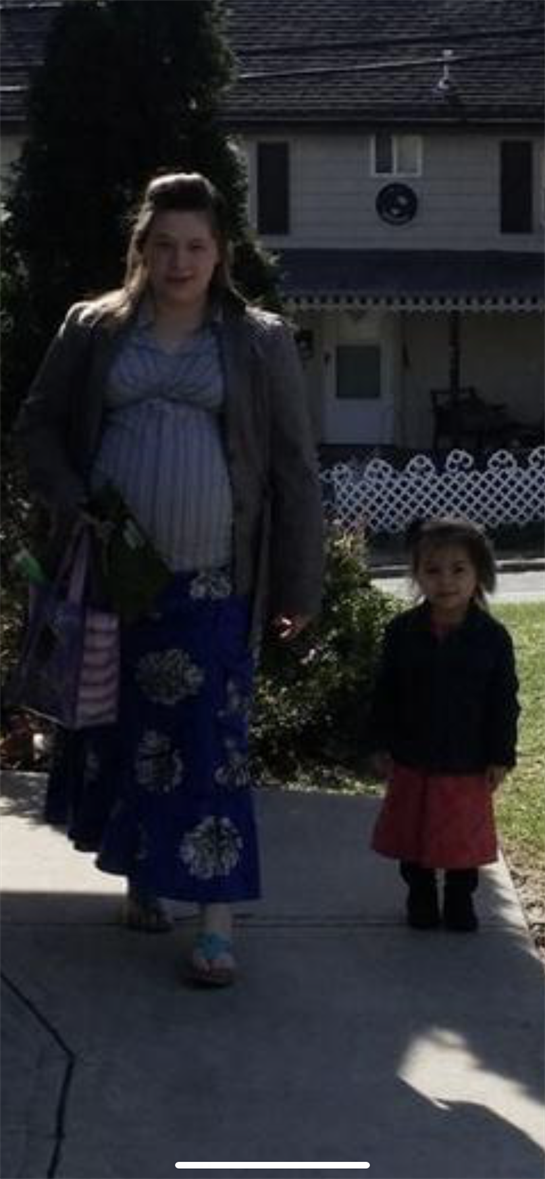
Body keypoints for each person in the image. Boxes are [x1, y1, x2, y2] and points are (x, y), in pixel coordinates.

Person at [15, 171, 324, 985]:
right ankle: (144, 879)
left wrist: (299, 585)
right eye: (164, 245)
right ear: (141, 250)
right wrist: (73, 500)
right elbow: (37, 427)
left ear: (220, 253)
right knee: (123, 736)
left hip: (214, 582)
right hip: (109, 579)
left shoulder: (256, 340)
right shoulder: (93, 328)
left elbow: (293, 467)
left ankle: (216, 923)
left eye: (195, 246)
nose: (179, 261)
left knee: (210, 747)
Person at [368, 517, 519, 932]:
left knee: (461, 839)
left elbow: (504, 703)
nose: (446, 581)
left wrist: (500, 755)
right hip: (412, 755)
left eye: (458, 569)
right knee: (412, 833)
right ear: (417, 575)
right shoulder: (402, 632)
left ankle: (458, 898)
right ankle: (420, 896)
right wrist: (379, 742)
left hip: (467, 760)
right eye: (432, 570)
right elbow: (385, 693)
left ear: (479, 574)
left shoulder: (492, 638)